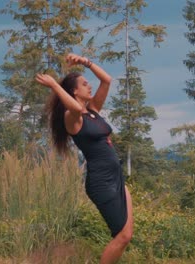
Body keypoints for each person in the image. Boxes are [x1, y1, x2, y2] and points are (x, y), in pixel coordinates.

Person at [36, 53, 133, 264]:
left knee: (127, 235)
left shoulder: (94, 111)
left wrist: (84, 62)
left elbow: (107, 80)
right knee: (122, 236)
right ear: (74, 91)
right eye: (85, 84)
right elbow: (76, 108)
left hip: (116, 176)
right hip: (101, 181)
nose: (90, 87)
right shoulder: (73, 119)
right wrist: (54, 85)